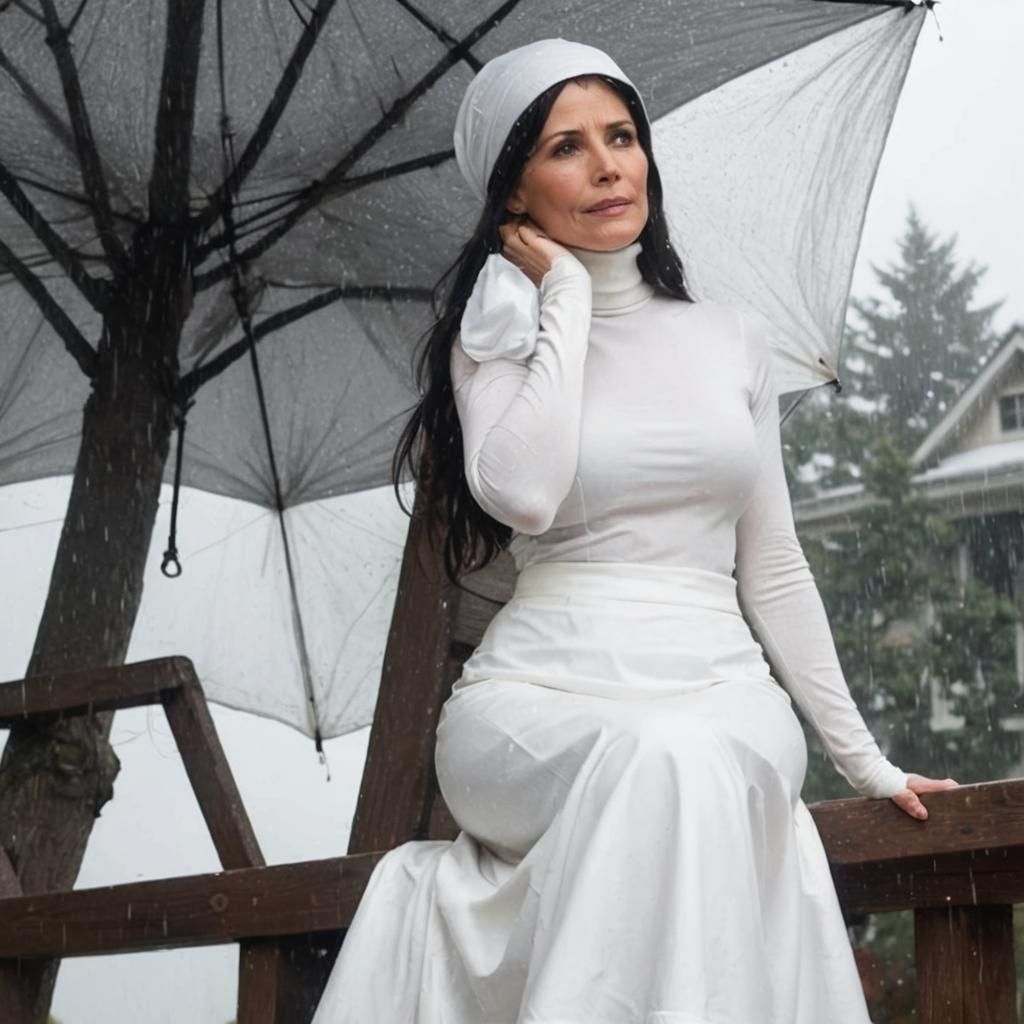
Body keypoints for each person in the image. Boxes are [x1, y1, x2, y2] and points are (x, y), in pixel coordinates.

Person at [313, 38, 958, 1024]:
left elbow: (773, 563)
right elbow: (523, 497)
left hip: (720, 691)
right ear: (513, 194)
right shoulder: (497, 338)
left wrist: (864, 760)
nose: (609, 165)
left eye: (621, 136)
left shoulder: (730, 339)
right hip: (532, 705)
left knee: (679, 758)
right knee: (648, 759)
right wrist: (562, 299)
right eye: (566, 147)